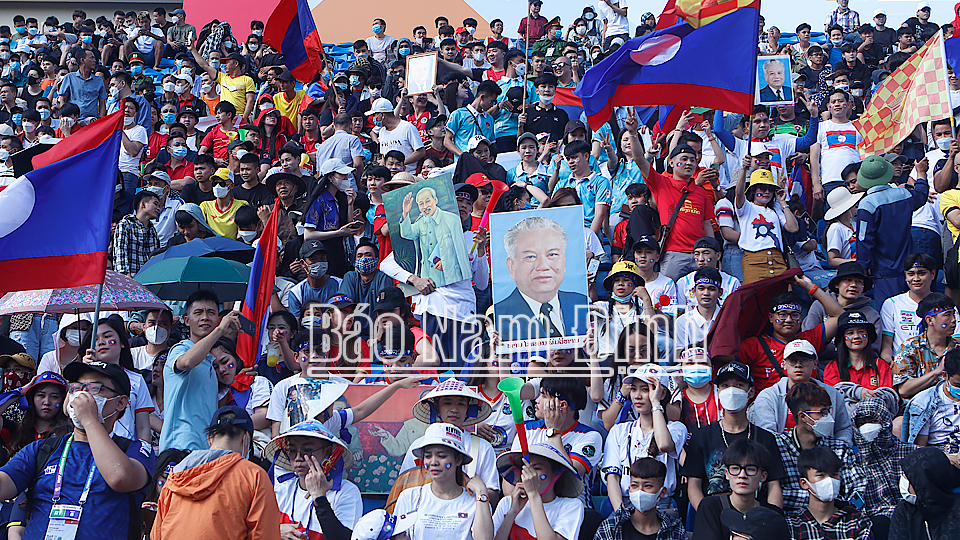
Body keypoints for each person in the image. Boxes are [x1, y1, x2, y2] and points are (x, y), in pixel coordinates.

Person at [0, 361, 155, 540]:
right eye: (76, 388)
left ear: (121, 402)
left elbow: (120, 478)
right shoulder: (42, 449)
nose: (82, 396)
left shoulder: (135, 450)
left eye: (94, 388)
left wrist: (89, 420)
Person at [151, 405, 281, 540]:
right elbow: (264, 534)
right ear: (246, 439)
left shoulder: (176, 474)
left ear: (209, 438)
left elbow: (156, 534)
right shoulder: (254, 475)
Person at [682, 362, 786, 511]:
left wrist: (770, 517)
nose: (731, 390)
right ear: (718, 391)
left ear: (751, 392)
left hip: (756, 513)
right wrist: (708, 515)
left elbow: (774, 485)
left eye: (739, 385)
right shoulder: (701, 436)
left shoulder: (765, 438)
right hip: (715, 512)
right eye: (725, 385)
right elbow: (694, 485)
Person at [624, 112, 717, 280]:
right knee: (667, 293)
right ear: (671, 163)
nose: (689, 163)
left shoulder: (701, 192)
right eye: (684, 159)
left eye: (692, 160)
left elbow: (707, 225)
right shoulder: (661, 183)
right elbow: (640, 159)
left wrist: (713, 250)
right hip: (673, 254)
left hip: (700, 255)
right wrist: (632, 133)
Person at [160, 290, 239, 452]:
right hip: (179, 447)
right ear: (186, 320)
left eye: (211, 313)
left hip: (206, 448)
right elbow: (186, 362)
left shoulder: (210, 360)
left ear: (218, 319)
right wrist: (219, 331)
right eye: (198, 312)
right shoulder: (180, 349)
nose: (205, 317)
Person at [774, 382, 867, 514]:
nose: (828, 418)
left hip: (838, 518)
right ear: (803, 417)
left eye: (828, 411)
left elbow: (858, 486)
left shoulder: (839, 448)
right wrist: (823, 499)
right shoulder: (778, 446)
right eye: (822, 413)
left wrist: (840, 506)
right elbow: (776, 493)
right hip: (791, 519)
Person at [493, 216, 590, 342]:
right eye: (530, 256)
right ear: (511, 266)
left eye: (552, 254)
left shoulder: (580, 303)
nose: (543, 266)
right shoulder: (500, 314)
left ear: (564, 261)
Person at [603, 365, 688, 508]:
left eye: (645, 389)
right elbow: (612, 476)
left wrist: (656, 403)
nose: (637, 396)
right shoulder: (619, 430)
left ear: (661, 393)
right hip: (626, 502)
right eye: (634, 389)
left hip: (663, 503)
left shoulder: (676, 428)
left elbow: (663, 445)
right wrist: (620, 511)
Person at [739, 279, 845, 392]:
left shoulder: (808, 340)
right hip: (770, 402)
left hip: (808, 401)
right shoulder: (754, 345)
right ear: (771, 317)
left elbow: (840, 316)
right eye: (782, 315)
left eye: (794, 315)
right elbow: (727, 358)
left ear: (801, 317)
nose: (789, 320)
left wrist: (809, 287)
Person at [264, 420, 363, 539]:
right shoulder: (282, 487)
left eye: (307, 451)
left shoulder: (346, 492)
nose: (298, 458)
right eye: (292, 451)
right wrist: (274, 531)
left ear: (327, 451)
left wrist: (319, 498)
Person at [394, 423, 495, 540]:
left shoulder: (475, 502)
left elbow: (484, 538)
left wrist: (482, 493)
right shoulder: (409, 497)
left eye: (441, 456)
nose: (433, 462)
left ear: (458, 460)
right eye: (428, 456)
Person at [398, 380, 500, 496]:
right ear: (436, 408)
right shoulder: (418, 445)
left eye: (461, 404)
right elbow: (403, 485)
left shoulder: (483, 447)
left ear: (468, 409)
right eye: (447, 403)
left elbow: (492, 492)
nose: (454, 409)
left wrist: (477, 491)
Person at [857, 155, 929, 307]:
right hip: (910, 267)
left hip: (884, 271)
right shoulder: (904, 194)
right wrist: (921, 174)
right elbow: (922, 195)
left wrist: (863, 266)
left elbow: (864, 239)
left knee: (888, 311)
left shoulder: (867, 204)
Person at [753, 339, 854, 445]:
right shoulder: (768, 397)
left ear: (815, 363)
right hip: (782, 451)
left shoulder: (833, 394)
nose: (798, 365)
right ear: (784, 364)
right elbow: (767, 435)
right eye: (792, 360)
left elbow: (843, 429)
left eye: (804, 360)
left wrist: (839, 449)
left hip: (827, 450)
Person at [692, 439, 783, 540]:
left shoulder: (772, 514)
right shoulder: (710, 507)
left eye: (750, 469)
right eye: (735, 468)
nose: (742, 475)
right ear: (727, 474)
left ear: (763, 476)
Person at [493, 443, 584, 540]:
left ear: (556, 474)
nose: (530, 475)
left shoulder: (570, 506)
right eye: (525, 468)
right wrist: (512, 513)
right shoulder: (507, 503)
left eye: (537, 468)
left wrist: (533, 494)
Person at [852, 398, 916, 525]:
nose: (867, 426)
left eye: (872, 421)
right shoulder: (855, 462)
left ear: (885, 420)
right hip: (877, 522)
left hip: (914, 517)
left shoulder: (911, 452)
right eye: (861, 423)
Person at [786, 446, 873, 540]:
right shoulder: (792, 526)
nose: (829, 480)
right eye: (821, 475)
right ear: (804, 483)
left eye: (834, 474)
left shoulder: (856, 521)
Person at [595, 458, 685, 540]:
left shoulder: (674, 530)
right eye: (635, 486)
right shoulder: (610, 528)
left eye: (648, 486)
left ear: (662, 492)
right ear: (629, 489)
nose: (640, 491)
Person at [399, 185, 472, 285]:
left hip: (449, 279)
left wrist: (447, 261)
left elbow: (460, 252)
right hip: (428, 280)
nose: (425, 206)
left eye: (428, 201)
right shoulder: (420, 222)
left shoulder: (452, 219)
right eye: (421, 203)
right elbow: (407, 234)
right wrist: (405, 213)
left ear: (435, 200)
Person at [893, 292, 960, 399]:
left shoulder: (957, 348)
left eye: (953, 314)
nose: (954, 320)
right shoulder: (910, 348)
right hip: (918, 406)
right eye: (947, 315)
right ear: (929, 320)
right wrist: (936, 372)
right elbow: (903, 390)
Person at [889, 447, 960, 540]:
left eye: (907, 476)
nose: (903, 480)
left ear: (923, 482)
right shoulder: (904, 510)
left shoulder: (956, 511)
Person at [901, 348, 960, 454]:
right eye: (957, 385)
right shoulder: (923, 403)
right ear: (944, 375)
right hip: (938, 457)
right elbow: (920, 451)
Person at [674, 236, 741, 311]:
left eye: (706, 253)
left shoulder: (732, 282)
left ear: (718, 255)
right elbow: (680, 312)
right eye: (697, 254)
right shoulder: (684, 282)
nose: (701, 259)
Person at [112, 188, 161, 276]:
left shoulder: (152, 230)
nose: (158, 208)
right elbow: (120, 254)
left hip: (149, 279)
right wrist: (126, 277)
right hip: (130, 280)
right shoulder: (125, 224)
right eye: (155, 204)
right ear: (143, 204)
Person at [200, 167, 249, 240]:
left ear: (231, 185)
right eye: (214, 183)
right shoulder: (205, 206)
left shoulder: (241, 205)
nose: (217, 186)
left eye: (222, 183)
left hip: (233, 245)